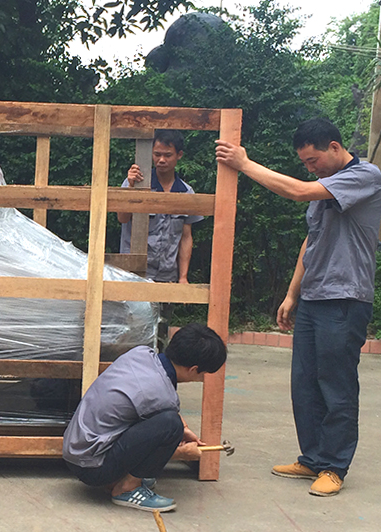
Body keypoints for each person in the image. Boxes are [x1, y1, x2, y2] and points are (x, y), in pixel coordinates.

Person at [216, 118, 381, 497]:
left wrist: (244, 163)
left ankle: (334, 466)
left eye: (313, 160)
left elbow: (298, 191)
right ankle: (313, 458)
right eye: (305, 163)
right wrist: (292, 295)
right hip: (313, 298)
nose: (310, 168)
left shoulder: (365, 176)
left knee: (336, 384)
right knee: (304, 383)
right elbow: (312, 242)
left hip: (344, 298)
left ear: (335, 148)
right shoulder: (326, 188)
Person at [63, 323, 227, 512]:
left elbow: (150, 404)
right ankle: (127, 488)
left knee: (172, 423)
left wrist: (184, 429)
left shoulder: (141, 354)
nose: (202, 379)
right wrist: (182, 454)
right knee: (171, 424)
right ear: (193, 369)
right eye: (204, 374)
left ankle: (120, 477)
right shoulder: (161, 394)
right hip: (93, 467)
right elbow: (163, 414)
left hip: (77, 450)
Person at [118, 130, 204, 344]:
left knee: (161, 334)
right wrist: (130, 188)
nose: (161, 160)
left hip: (166, 275)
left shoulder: (186, 193)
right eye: (157, 154)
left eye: (167, 155)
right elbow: (122, 218)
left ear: (179, 155)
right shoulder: (136, 183)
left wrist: (183, 277)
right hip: (136, 273)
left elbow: (186, 237)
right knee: (132, 331)